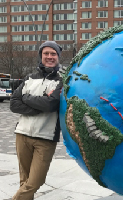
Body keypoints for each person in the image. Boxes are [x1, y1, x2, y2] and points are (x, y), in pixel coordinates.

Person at [10, 41, 63, 200]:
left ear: (58, 57)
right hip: (22, 134)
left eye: (53, 54)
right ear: (41, 56)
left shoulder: (61, 81)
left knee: (36, 181)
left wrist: (26, 98)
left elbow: (51, 104)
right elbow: (14, 103)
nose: (49, 57)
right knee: (24, 180)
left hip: (46, 138)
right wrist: (38, 107)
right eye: (46, 53)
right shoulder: (29, 78)